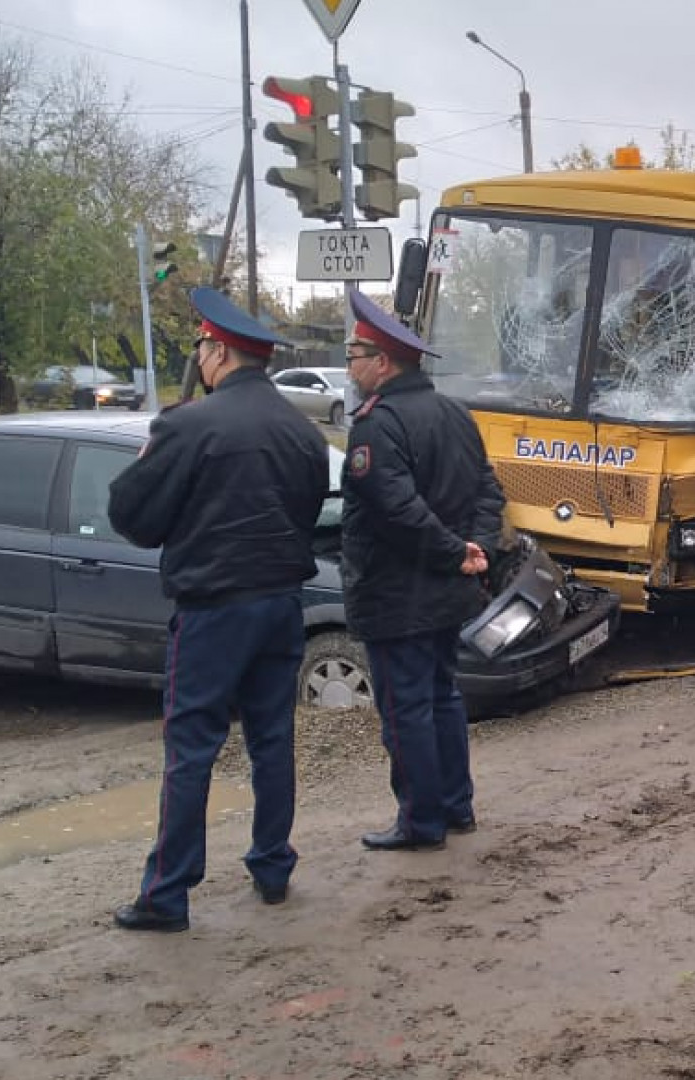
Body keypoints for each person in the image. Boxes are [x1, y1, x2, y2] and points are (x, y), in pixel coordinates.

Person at [105, 287, 331, 932]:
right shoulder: (302, 431)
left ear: (220, 352)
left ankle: (167, 894)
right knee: (272, 739)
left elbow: (133, 517)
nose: (200, 356)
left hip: (213, 609)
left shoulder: (187, 425)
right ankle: (272, 865)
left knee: (192, 749)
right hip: (282, 602)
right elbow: (307, 514)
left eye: (202, 346)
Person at [341, 289, 505, 853]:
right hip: (447, 592)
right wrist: (474, 548)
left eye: (353, 354)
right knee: (442, 699)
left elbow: (395, 508)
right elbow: (489, 490)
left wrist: (457, 551)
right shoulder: (454, 413)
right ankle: (456, 808)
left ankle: (421, 822)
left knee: (406, 709)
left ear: (382, 362)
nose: (350, 365)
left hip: (398, 595)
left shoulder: (376, 425)